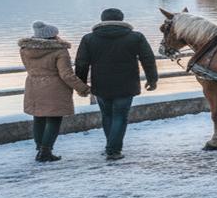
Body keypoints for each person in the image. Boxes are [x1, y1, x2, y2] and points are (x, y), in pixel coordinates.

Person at [74, 8, 158, 160]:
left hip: (101, 84)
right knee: (120, 116)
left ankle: (111, 146)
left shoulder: (89, 38)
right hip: (127, 84)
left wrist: (80, 85)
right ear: (122, 19)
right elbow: (148, 59)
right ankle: (113, 150)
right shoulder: (135, 37)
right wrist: (152, 79)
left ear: (102, 20)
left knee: (107, 116)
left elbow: (81, 63)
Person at [19, 21, 90, 163]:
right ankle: (46, 152)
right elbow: (66, 75)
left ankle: (40, 149)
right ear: (52, 36)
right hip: (54, 89)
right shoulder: (59, 51)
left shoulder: (25, 49)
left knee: (38, 117)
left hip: (33, 86)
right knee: (54, 119)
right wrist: (82, 88)